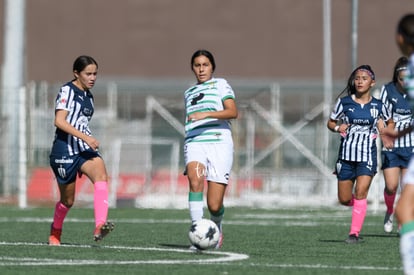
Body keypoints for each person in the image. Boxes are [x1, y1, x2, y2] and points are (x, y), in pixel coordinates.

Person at [48, 55, 114, 246]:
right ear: (76, 73)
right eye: (88, 74)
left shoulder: (89, 97)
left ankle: (100, 225)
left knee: (101, 176)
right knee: (67, 201)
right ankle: (56, 230)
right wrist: (86, 137)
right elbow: (59, 121)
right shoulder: (67, 90)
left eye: (95, 74)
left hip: (83, 150)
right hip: (64, 150)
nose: (92, 78)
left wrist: (85, 140)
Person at [327, 64, 393, 244]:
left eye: (364, 78)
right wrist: (337, 127)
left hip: (367, 156)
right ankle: (359, 207)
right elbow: (330, 123)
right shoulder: (344, 102)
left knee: (361, 192)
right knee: (344, 199)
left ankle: (354, 233)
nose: (360, 81)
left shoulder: (379, 105)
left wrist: (385, 133)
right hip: (346, 157)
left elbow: (388, 123)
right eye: (357, 78)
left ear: (372, 82)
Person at [184, 49, 238, 249]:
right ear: (192, 68)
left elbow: (233, 112)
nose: (201, 69)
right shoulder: (188, 92)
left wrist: (205, 114)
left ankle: (216, 226)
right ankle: (197, 231)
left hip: (219, 143)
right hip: (195, 142)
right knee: (195, 179)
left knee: (214, 205)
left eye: (205, 64)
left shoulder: (221, 84)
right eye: (197, 65)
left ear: (212, 67)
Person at [381, 13, 414, 274]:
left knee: (406, 210)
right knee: (404, 207)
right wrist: (397, 135)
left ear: (399, 38)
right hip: (402, 147)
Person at [379, 56, 411, 233]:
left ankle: (402, 220)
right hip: (391, 145)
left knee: (407, 188)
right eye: (402, 78)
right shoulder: (387, 90)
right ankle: (390, 210)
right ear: (396, 77)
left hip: (411, 145)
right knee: (391, 187)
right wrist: (384, 135)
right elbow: (381, 117)